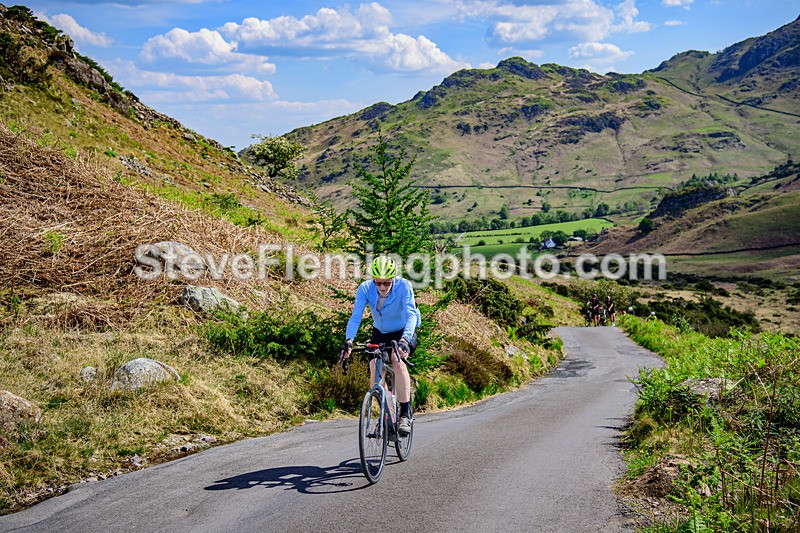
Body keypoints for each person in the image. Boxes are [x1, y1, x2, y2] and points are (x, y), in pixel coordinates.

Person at [341, 256, 421, 436]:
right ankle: (388, 415)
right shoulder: (365, 288)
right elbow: (356, 317)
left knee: (397, 360)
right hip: (381, 332)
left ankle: (405, 414)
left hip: (403, 331)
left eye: (387, 283)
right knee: (374, 367)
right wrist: (349, 341)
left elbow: (411, 315)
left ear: (393, 279)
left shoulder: (403, 286)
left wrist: (405, 340)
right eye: (378, 283)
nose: (383, 287)